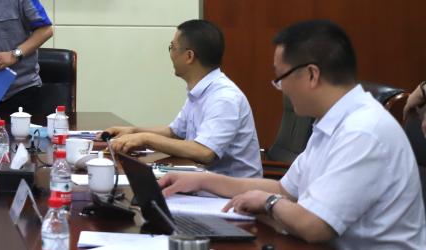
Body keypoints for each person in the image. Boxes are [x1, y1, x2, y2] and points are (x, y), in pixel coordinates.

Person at [159, 20, 425, 249]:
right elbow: (284, 189)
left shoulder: (363, 131)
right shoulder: (332, 123)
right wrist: (201, 181)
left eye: (281, 77)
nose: (280, 88)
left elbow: (315, 226)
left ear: (311, 75)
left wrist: (269, 202)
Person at [104, 19, 262, 177]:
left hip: (233, 190)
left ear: (189, 56)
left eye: (172, 47)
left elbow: (205, 152)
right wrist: (133, 131)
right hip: (203, 180)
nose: (171, 54)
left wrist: (146, 138)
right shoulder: (200, 91)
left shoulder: (224, 98)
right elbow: (175, 132)